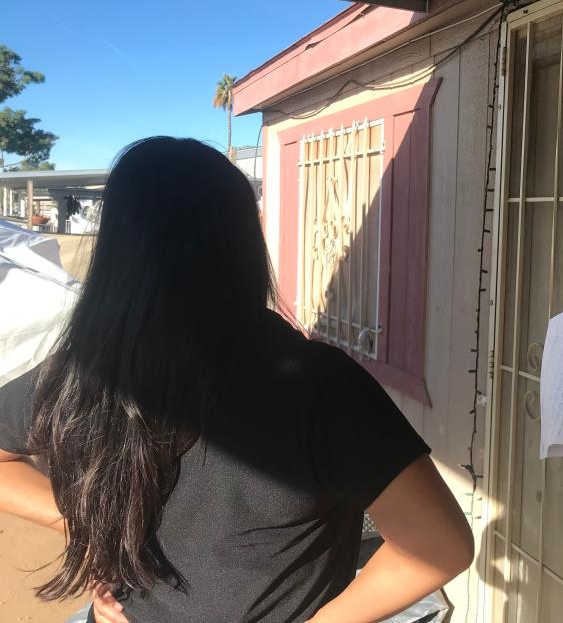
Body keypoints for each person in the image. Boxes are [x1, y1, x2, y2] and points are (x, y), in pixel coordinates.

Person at [0, 137, 474, 623]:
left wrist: (87, 524)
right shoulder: (319, 387)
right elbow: (441, 547)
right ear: (245, 240)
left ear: (117, 249)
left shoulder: (81, 371)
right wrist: (98, 522)